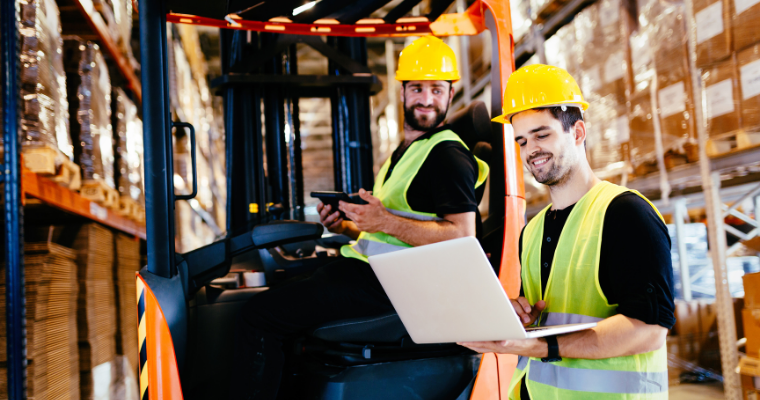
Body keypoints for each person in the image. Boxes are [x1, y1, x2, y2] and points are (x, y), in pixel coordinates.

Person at [230, 36, 489, 399]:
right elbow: (389, 231)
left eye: (436, 89)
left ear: (450, 92)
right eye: (417, 88)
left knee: (257, 316)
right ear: (402, 92)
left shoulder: (447, 155)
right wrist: (347, 222)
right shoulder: (408, 151)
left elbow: (462, 237)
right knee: (270, 298)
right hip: (370, 271)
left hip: (391, 286)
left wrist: (381, 221)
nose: (427, 99)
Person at [459, 64, 675, 399]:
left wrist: (542, 345)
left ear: (577, 133)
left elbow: (648, 330)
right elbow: (553, 312)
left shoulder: (626, 214)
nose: (531, 150)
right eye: (522, 140)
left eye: (542, 135)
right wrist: (521, 315)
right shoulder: (533, 230)